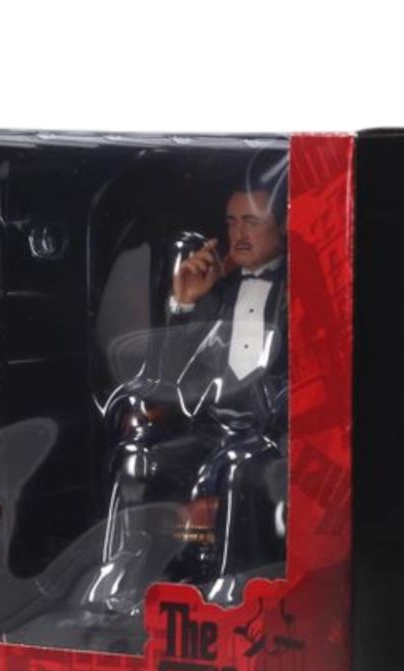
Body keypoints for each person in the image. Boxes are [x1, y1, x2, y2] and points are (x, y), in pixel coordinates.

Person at [93, 180, 288, 614]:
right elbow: (165, 379)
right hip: (211, 428)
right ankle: (128, 577)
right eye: (232, 222)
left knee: (238, 467)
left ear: (283, 227)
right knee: (134, 457)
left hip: (272, 434)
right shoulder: (215, 293)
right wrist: (183, 304)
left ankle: (232, 587)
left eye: (252, 222)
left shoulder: (299, 293)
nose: (239, 234)